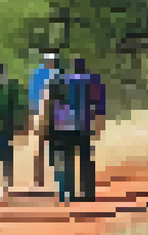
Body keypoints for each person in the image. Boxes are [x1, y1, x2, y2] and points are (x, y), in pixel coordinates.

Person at [43, 57, 107, 203]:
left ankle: (67, 193)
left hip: (63, 126)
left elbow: (48, 104)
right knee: (85, 159)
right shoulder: (92, 81)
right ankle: (88, 192)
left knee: (67, 159)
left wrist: (46, 126)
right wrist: (99, 126)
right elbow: (99, 106)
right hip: (83, 126)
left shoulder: (59, 81)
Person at [0, 62, 26, 200]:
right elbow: (17, 107)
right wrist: (19, 126)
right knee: (7, 155)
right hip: (8, 127)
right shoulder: (11, 86)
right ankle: (6, 185)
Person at [28, 52, 61, 189]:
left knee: (41, 147)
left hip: (44, 114)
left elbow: (32, 97)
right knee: (55, 147)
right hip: (53, 115)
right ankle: (54, 178)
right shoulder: (58, 75)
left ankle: (39, 179)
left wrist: (32, 115)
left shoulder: (38, 75)